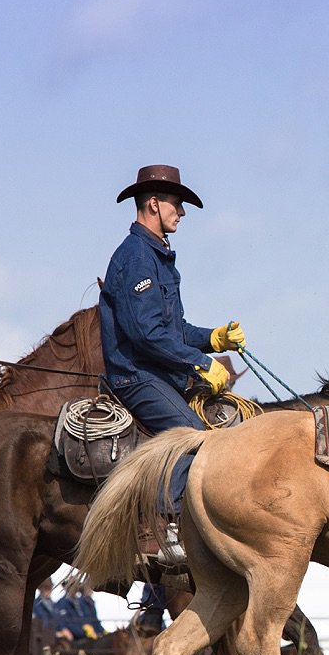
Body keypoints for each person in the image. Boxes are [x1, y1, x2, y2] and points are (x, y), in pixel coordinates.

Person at [98, 165, 244, 565]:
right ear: (153, 204)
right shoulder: (136, 257)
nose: (181, 212)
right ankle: (172, 529)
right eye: (177, 205)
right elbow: (144, 334)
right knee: (193, 434)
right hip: (135, 375)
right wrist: (199, 362)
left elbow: (172, 328)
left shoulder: (158, 256)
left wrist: (212, 338)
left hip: (158, 372)